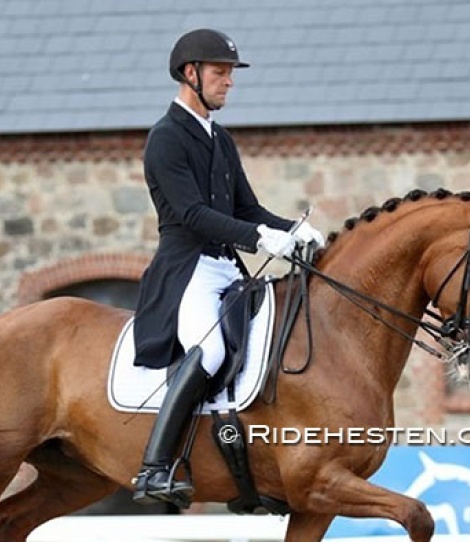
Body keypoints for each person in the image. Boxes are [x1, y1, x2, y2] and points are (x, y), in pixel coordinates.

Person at [131, 28, 325, 506]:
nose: (229, 83)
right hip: (187, 268)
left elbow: (247, 209)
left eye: (230, 74)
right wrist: (263, 240)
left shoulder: (221, 140)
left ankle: (250, 474)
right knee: (213, 352)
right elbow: (193, 215)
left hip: (226, 266)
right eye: (220, 73)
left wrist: (293, 230)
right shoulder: (166, 139)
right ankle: (155, 466)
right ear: (190, 74)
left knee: (271, 344)